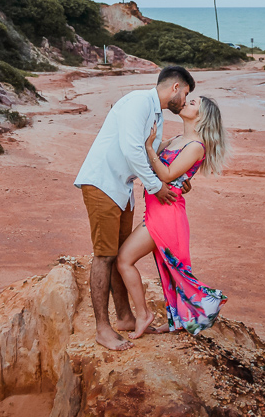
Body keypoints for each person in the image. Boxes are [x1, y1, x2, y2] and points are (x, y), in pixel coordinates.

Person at [74, 65, 196, 350]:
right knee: (104, 256)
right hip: (103, 183)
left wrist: (178, 178)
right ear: (175, 87)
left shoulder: (155, 114)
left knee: (117, 254)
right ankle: (102, 329)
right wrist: (156, 187)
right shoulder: (139, 102)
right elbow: (132, 150)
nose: (185, 100)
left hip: (122, 189)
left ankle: (126, 317)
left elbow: (154, 152)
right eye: (186, 93)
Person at [116, 93, 229, 338]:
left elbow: (165, 175)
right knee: (169, 269)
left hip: (168, 215)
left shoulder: (196, 147)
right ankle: (177, 320)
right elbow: (152, 162)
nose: (187, 101)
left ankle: (144, 315)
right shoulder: (178, 139)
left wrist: (149, 147)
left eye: (193, 102)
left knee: (125, 260)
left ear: (202, 116)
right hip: (157, 210)